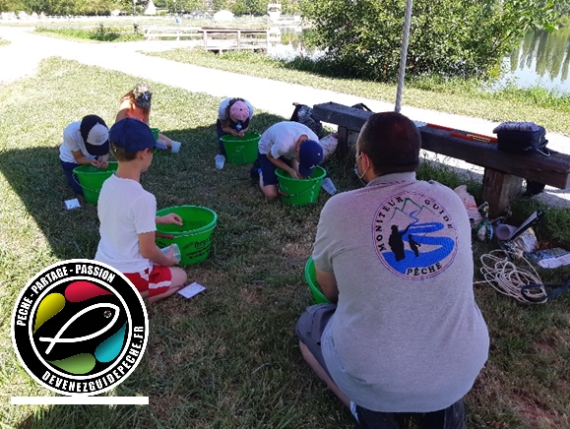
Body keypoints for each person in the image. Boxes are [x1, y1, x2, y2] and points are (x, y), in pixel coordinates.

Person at [296, 112, 489, 429]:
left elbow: (329, 292)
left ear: (365, 160)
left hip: (372, 374)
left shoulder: (339, 209)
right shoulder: (451, 200)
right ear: (416, 158)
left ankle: (364, 409)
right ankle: (440, 406)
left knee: (309, 326)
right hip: (463, 365)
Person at [95, 118, 187, 303]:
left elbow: (125, 218)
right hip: (129, 273)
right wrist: (167, 261)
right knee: (181, 277)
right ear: (144, 153)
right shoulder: (143, 198)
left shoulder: (107, 184)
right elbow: (148, 251)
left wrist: (161, 219)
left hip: (103, 267)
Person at [255, 121, 324, 199]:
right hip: (268, 149)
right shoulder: (283, 145)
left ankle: (286, 160)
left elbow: (298, 158)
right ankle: (260, 171)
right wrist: (290, 170)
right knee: (271, 194)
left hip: (288, 148)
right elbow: (269, 156)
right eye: (301, 162)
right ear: (297, 150)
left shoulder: (315, 142)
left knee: (300, 177)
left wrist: (299, 172)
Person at [116, 82, 181, 153]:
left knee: (151, 133)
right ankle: (155, 143)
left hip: (139, 129)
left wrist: (146, 130)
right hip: (126, 130)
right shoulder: (127, 103)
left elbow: (146, 122)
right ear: (134, 96)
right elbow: (118, 122)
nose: (142, 107)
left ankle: (171, 143)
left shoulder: (145, 107)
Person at [59, 114, 110, 195]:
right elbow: (78, 157)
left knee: (101, 186)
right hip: (71, 160)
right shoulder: (71, 133)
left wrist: (103, 159)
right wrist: (90, 161)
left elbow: (105, 151)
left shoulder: (105, 131)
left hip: (92, 157)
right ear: (80, 131)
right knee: (81, 190)